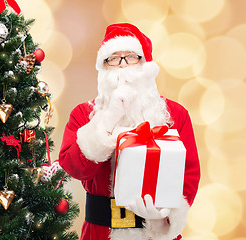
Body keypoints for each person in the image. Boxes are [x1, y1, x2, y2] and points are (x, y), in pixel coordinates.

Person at [58, 23, 200, 240]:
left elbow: (189, 174)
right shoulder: (84, 114)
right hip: (100, 232)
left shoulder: (175, 114)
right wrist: (108, 118)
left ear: (145, 64)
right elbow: (75, 168)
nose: (123, 65)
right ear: (103, 67)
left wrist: (164, 220)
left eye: (131, 56)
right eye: (113, 58)